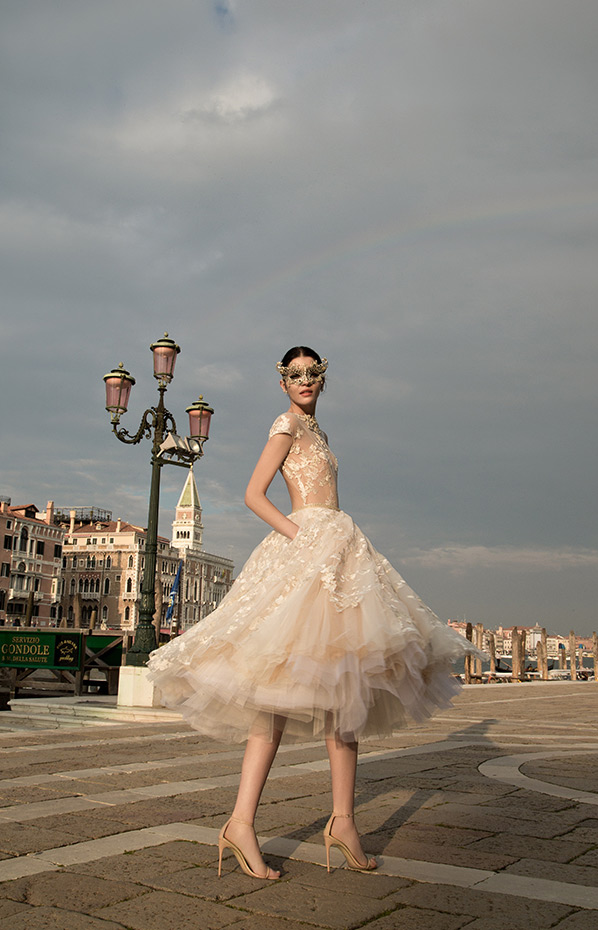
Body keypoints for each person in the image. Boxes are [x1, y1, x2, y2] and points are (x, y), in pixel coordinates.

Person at [147, 345, 482, 880]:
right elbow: (255, 494)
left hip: (340, 554)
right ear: (282, 383)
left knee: (344, 694)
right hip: (308, 553)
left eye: (312, 374)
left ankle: (343, 821)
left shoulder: (317, 431)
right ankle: (240, 822)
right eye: (294, 374)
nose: (304, 381)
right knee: (274, 700)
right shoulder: (287, 424)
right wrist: (302, 536)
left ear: (323, 380)